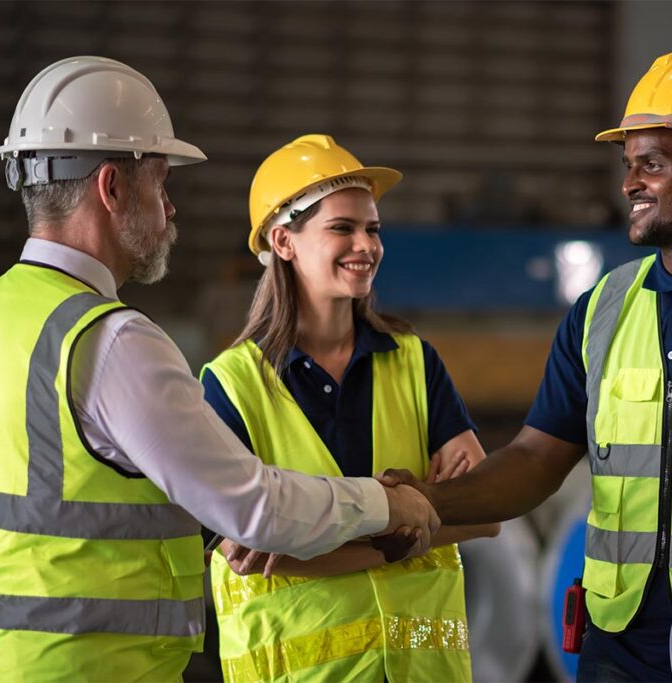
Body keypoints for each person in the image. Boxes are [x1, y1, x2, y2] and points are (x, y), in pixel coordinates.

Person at [380, 44, 672, 681]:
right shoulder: (601, 308)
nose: (630, 184)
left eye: (653, 164)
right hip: (615, 647)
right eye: (629, 165)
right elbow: (533, 461)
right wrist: (428, 500)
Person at [0, 56, 438, 681]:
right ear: (111, 188)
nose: (170, 211)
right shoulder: (113, 342)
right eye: (160, 184)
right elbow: (253, 510)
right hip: (93, 665)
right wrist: (388, 504)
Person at [199, 134, 498, 682]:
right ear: (283, 241)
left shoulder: (413, 360)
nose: (367, 245)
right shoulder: (232, 385)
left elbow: (485, 512)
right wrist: (406, 523)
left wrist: (311, 537)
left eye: (373, 229)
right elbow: (245, 550)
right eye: (343, 228)